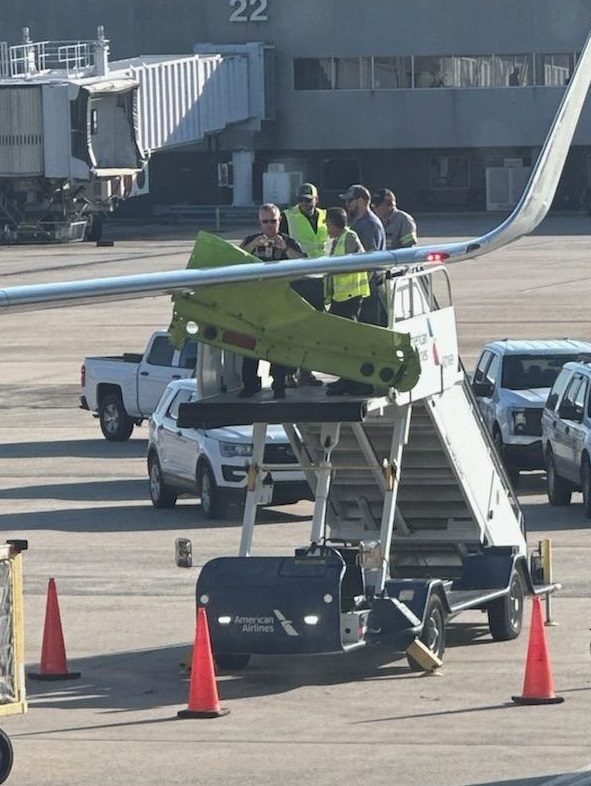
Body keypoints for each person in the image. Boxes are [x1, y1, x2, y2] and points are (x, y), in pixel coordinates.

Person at [239, 203, 305, 399]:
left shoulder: (288, 241)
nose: (269, 226)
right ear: (260, 222)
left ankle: (279, 385)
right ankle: (250, 384)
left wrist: (284, 248)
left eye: (273, 221)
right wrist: (253, 246)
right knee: (250, 344)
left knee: (279, 345)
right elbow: (234, 259)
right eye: (265, 222)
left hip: (281, 302)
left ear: (280, 221)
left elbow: (304, 262)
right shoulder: (251, 240)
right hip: (255, 302)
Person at [279, 182, 327, 386]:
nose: (305, 204)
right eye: (301, 200)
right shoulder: (288, 217)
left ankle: (306, 371)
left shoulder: (326, 216)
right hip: (297, 279)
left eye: (308, 200)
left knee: (313, 328)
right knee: (294, 328)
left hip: (319, 278)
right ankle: (290, 373)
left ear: (317, 199)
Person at [322, 207, 373, 397]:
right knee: (341, 342)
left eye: (327, 222)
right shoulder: (339, 240)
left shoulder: (349, 237)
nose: (326, 226)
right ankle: (346, 378)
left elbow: (363, 262)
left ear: (333, 223)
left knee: (351, 342)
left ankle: (357, 381)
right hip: (340, 298)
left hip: (350, 298)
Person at [339, 183, 387, 327]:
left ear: (360, 201)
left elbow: (370, 262)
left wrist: (361, 293)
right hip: (365, 288)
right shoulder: (359, 221)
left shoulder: (368, 224)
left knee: (369, 328)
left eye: (349, 201)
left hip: (369, 290)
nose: (347, 205)